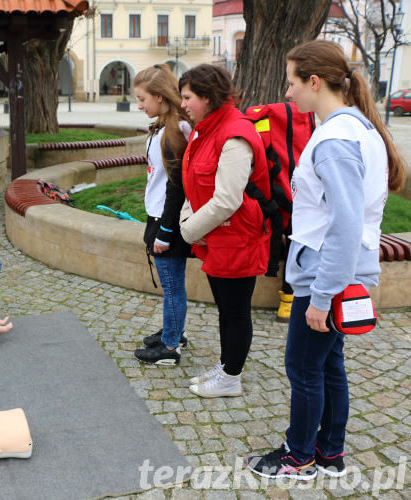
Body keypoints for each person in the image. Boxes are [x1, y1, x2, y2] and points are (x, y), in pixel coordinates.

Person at [247, 40, 406, 481]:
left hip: (325, 274)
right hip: (341, 271)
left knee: (303, 367)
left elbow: (345, 224)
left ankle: (300, 458)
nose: (288, 93)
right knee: (327, 363)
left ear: (314, 82)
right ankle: (330, 453)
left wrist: (320, 296)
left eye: (292, 82)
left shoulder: (336, 138)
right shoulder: (360, 129)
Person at [178, 64, 272, 398]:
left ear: (207, 95)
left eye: (188, 97)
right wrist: (189, 222)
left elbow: (227, 199)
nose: (183, 104)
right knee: (225, 308)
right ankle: (226, 364)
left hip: (238, 239)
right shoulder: (207, 129)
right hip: (219, 237)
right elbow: (194, 184)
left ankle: (231, 376)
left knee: (235, 310)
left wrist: (188, 231)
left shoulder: (234, 134)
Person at [130, 64, 193, 367]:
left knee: (172, 287)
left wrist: (166, 231)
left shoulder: (176, 131)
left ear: (159, 96)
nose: (139, 105)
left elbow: (177, 186)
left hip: (167, 221)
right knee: (173, 285)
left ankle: (169, 349)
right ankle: (174, 332)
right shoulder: (162, 127)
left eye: (142, 99)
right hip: (158, 216)